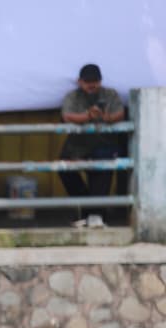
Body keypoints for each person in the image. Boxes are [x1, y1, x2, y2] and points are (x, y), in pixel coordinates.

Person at [59, 63, 125, 228]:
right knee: (64, 168)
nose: (91, 85)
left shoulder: (110, 94)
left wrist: (107, 118)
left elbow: (120, 113)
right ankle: (89, 210)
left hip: (105, 143)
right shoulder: (73, 96)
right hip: (78, 145)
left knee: (102, 170)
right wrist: (88, 116)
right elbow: (67, 116)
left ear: (100, 81)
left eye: (95, 81)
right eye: (87, 81)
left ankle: (96, 215)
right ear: (79, 81)